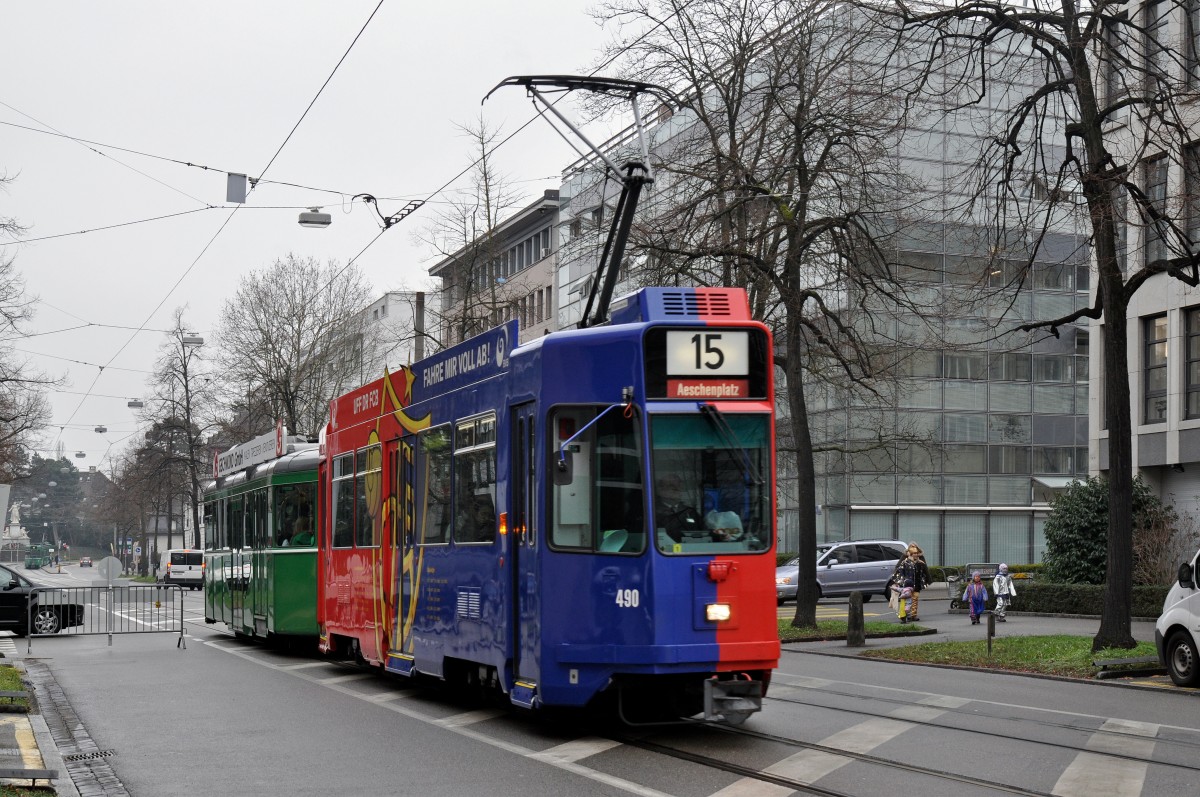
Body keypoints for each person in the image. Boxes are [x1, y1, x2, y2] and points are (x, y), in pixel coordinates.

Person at [654, 472, 703, 543]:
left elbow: (704, 532)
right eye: (671, 485)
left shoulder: (690, 512)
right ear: (660, 490)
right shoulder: (652, 512)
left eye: (679, 485)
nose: (676, 488)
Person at [891, 543, 929, 622]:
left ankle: (913, 615)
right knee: (907, 600)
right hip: (908, 584)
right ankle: (906, 615)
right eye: (914, 553)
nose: (915, 555)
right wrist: (899, 581)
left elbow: (923, 572)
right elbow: (900, 571)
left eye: (916, 553)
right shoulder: (905, 562)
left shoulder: (920, 563)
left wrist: (925, 581)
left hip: (917, 584)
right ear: (910, 553)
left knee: (915, 600)